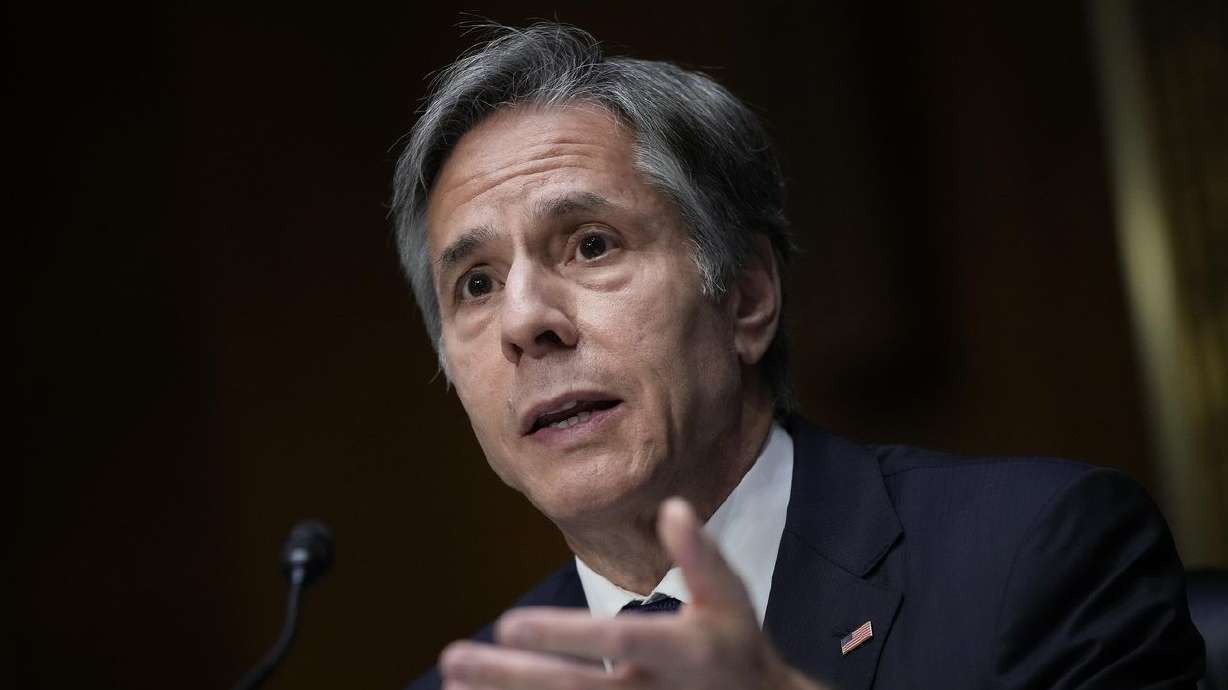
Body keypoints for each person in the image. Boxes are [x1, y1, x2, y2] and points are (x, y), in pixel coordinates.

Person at [391, 22, 1205, 690]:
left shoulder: (1038, 559)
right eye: (475, 285)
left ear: (746, 296)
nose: (526, 319)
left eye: (591, 245)